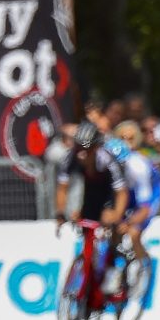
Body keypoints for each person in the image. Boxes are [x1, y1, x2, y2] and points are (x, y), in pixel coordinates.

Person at [54, 121, 129, 294]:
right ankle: (89, 268)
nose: (81, 154)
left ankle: (112, 270)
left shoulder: (107, 159)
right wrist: (60, 213)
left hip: (110, 192)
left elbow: (122, 192)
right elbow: (62, 188)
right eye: (78, 148)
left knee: (111, 224)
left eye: (86, 149)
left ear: (96, 148)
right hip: (91, 191)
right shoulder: (71, 156)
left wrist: (116, 216)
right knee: (86, 225)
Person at [104, 137, 160, 267]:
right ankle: (115, 265)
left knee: (134, 233)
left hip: (150, 192)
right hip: (127, 191)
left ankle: (145, 268)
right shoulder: (107, 168)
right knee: (113, 228)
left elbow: (145, 209)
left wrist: (128, 222)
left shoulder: (138, 167)